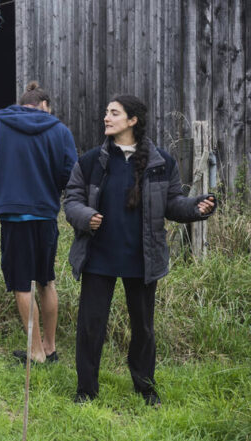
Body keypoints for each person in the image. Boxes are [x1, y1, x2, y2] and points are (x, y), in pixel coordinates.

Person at [64, 95, 216, 406]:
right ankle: (86, 391)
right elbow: (72, 201)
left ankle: (145, 388)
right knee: (91, 328)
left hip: (142, 259)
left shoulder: (161, 162)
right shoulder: (91, 161)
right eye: (106, 112)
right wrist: (85, 217)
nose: (106, 117)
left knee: (143, 328)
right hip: (99, 257)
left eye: (114, 113)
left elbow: (173, 203)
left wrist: (195, 207)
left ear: (132, 120)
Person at [0, 81, 77, 364]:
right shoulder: (59, 130)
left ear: (22, 104)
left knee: (22, 284)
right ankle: (49, 347)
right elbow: (71, 174)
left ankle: (35, 354)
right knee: (46, 280)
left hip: (14, 214)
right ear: (45, 106)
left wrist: (7, 183)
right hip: (46, 213)